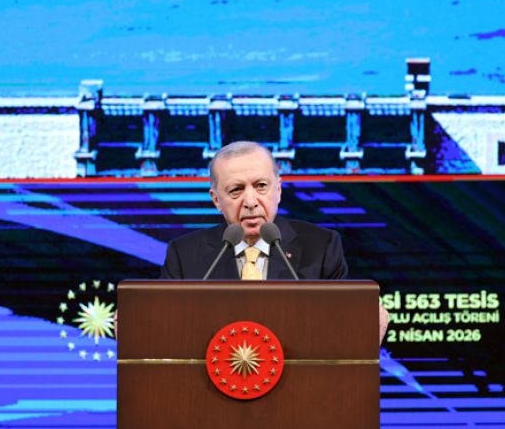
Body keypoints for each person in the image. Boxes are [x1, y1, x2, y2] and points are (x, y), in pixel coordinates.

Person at [159, 140, 389, 341]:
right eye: (236, 190)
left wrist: (363, 335)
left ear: (278, 190)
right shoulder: (184, 255)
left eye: (261, 186)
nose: (251, 202)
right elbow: (167, 333)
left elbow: (338, 329)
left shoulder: (321, 246)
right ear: (216, 200)